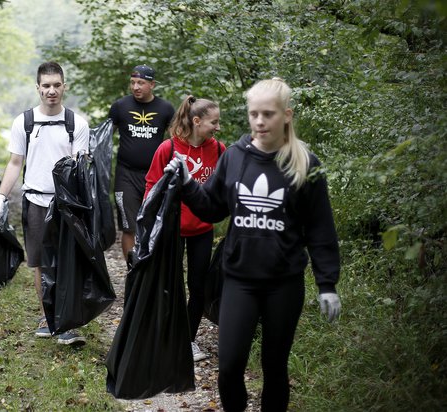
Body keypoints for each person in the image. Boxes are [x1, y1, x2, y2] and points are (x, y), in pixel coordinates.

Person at [166, 78, 342, 411]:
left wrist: (327, 283)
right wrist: (187, 184)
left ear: (286, 115)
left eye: (268, 114)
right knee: (229, 367)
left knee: (275, 368)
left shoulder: (304, 162)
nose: (260, 121)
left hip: (283, 283)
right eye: (254, 114)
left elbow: (319, 228)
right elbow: (212, 207)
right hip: (239, 280)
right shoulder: (235, 156)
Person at [0, 61, 90, 345]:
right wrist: (1, 196)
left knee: (67, 263)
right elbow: (14, 162)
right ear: (37, 88)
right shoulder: (24, 122)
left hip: (67, 205)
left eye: (57, 85)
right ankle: (48, 316)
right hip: (35, 200)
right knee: (40, 263)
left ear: (64, 87)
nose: (51, 91)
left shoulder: (77, 124)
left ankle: (66, 322)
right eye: (46, 86)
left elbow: (80, 169)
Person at [144, 95, 225, 363]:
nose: (218, 127)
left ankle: (188, 340)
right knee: (170, 285)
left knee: (198, 286)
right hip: (172, 228)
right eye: (214, 122)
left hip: (203, 228)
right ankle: (166, 337)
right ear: (197, 121)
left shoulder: (219, 150)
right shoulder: (168, 149)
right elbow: (151, 187)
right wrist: (147, 226)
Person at [109, 64, 175, 267]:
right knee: (128, 227)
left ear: (152, 84)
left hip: (155, 175)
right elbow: (105, 138)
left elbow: (175, 141)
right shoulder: (120, 106)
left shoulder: (165, 109)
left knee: (152, 223)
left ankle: (150, 269)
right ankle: (132, 270)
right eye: (133, 82)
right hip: (125, 175)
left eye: (141, 83)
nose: (136, 87)